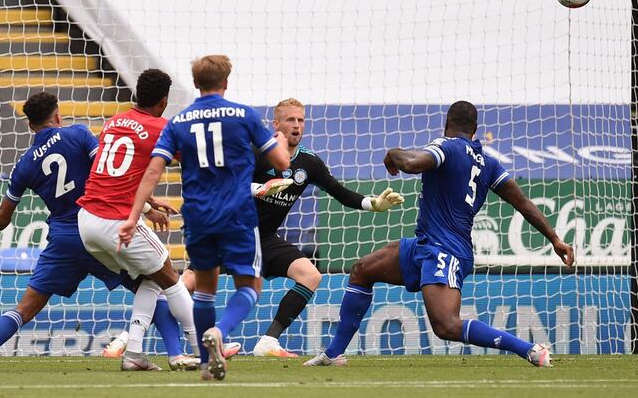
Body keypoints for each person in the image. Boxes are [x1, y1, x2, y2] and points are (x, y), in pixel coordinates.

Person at [304, 101, 574, 367]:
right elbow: (523, 203)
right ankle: (333, 354)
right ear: (475, 129)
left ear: (446, 125)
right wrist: (554, 239)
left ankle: (529, 350)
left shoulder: (446, 146)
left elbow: (412, 164)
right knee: (362, 270)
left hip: (445, 250)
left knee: (446, 326)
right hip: (425, 245)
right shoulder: (488, 164)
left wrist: (392, 152)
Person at [119, 55, 290, 381]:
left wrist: (132, 215)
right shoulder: (243, 115)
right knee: (251, 286)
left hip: (197, 218)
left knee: (205, 290)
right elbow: (282, 163)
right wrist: (280, 139)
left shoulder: (179, 121)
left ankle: (203, 363)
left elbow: (153, 169)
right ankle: (220, 333)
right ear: (226, 81)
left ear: (196, 84)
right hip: (237, 214)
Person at [0, 92, 148, 372]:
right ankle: (145, 346)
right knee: (154, 287)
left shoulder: (25, 163)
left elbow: (4, 215)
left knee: (26, 308)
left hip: (63, 241)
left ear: (30, 125)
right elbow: (109, 175)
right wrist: (145, 205)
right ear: (57, 115)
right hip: (97, 232)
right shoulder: (79, 134)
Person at [204, 97, 404, 358]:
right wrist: (259, 189)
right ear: (275, 124)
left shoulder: (308, 163)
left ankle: (268, 342)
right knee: (188, 283)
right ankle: (148, 336)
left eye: (300, 120)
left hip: (264, 239)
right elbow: (225, 184)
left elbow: (340, 192)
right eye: (290, 120)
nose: (296, 125)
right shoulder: (257, 153)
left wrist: (372, 203)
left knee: (310, 275)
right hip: (232, 233)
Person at [77, 68, 202, 371]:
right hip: (114, 221)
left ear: (136, 95)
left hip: (86, 221)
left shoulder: (113, 122)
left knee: (151, 279)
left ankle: (133, 354)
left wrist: (147, 205)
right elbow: (190, 160)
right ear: (164, 100)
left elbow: (119, 173)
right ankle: (202, 348)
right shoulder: (162, 127)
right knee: (171, 277)